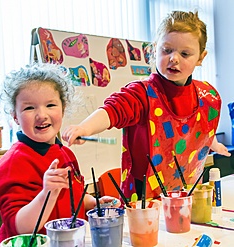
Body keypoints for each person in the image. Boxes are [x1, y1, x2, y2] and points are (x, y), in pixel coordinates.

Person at [62, 11, 231, 203]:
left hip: (185, 197)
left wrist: (214, 144)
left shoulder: (207, 96)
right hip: (144, 201)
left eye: (185, 53)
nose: (174, 58)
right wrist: (84, 128)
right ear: (154, 50)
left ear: (201, 57)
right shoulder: (141, 94)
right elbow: (112, 111)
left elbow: (200, 131)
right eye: (166, 50)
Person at [0, 63, 118, 245]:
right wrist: (47, 194)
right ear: (15, 116)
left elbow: (72, 195)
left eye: (50, 105)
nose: (41, 115)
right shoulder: (12, 163)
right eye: (29, 108)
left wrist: (91, 202)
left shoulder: (65, 153)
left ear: (63, 109)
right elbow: (20, 228)